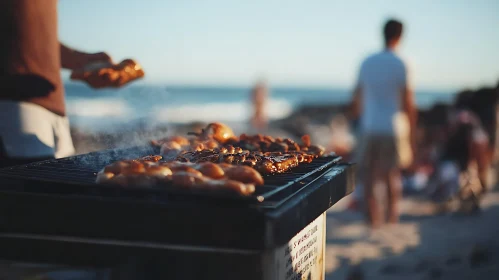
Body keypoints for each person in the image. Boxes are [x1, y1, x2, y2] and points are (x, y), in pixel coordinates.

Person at [0, 0, 120, 168]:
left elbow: (33, 33)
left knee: (63, 187)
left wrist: (83, 61)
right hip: (13, 106)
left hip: (56, 110)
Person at [349, 19, 417, 228]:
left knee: (369, 175)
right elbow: (408, 102)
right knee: (391, 174)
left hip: (369, 126)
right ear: (400, 36)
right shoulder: (402, 62)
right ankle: (391, 217)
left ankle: (373, 218)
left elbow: (356, 97)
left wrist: (355, 123)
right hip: (393, 127)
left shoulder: (367, 61)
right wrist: (413, 131)